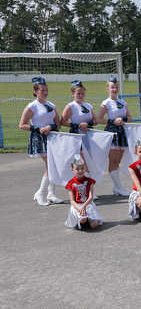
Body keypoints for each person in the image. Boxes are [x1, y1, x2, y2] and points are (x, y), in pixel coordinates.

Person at [19, 76, 61, 206]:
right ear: (36, 92)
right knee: (50, 164)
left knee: (53, 165)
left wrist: (50, 127)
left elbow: (58, 123)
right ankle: (41, 193)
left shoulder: (51, 105)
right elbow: (22, 124)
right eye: (42, 90)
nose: (45, 92)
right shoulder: (32, 107)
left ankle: (51, 194)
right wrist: (38, 128)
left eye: (46, 90)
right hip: (39, 138)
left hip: (52, 137)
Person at [98, 75, 131, 196]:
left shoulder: (122, 102)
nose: (114, 89)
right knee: (113, 161)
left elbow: (130, 117)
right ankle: (119, 187)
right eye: (112, 87)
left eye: (116, 87)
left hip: (122, 132)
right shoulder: (106, 103)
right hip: (112, 132)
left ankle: (116, 188)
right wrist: (113, 121)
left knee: (118, 161)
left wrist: (124, 120)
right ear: (108, 88)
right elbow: (99, 119)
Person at [65, 154, 102, 230]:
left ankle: (89, 222)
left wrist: (84, 206)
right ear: (72, 169)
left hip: (88, 204)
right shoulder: (70, 183)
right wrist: (79, 208)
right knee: (83, 219)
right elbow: (72, 201)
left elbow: (90, 197)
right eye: (77, 169)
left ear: (85, 168)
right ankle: (81, 222)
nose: (80, 171)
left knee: (94, 225)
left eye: (82, 168)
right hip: (77, 206)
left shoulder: (89, 181)